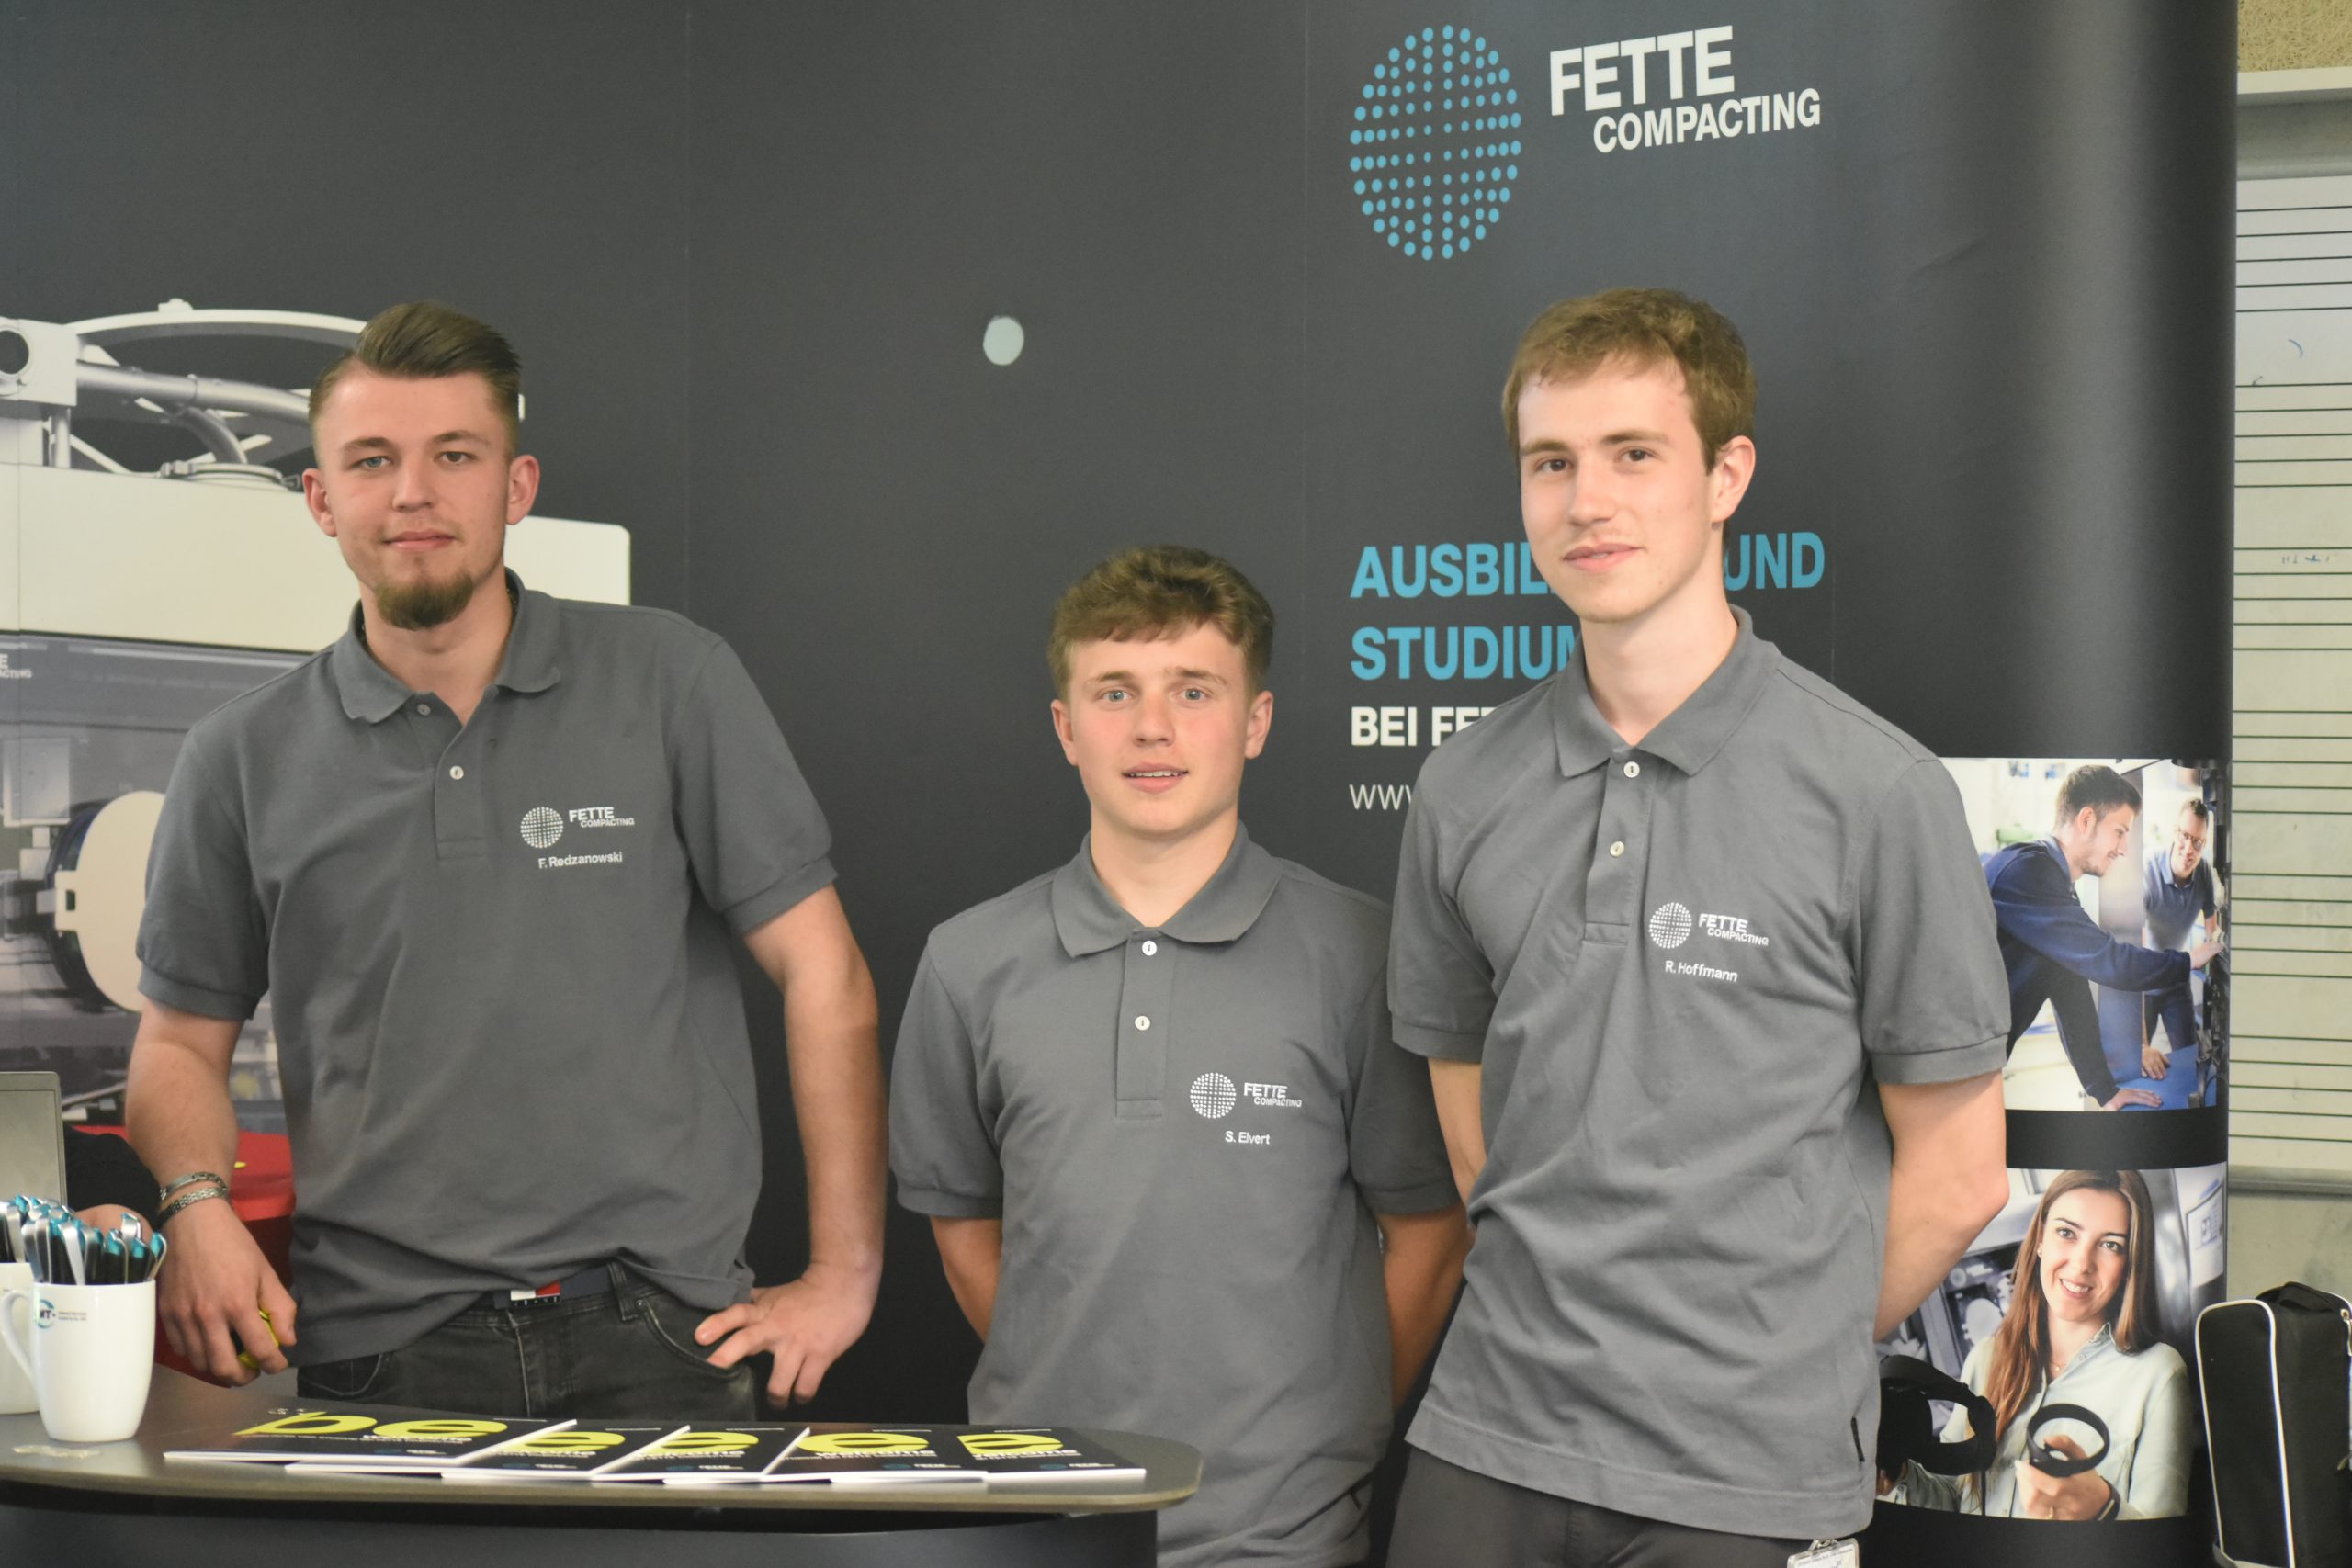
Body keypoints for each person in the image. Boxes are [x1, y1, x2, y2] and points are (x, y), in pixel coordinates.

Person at [125, 302, 884, 1419]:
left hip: (667, 1334)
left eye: (455, 456)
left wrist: (844, 1272)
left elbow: (826, 975)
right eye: (372, 461)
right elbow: (176, 1047)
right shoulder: (239, 756)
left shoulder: (671, 681)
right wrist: (196, 1210)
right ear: (322, 500)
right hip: (383, 1350)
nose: (413, 493)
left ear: (516, 487)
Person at [1382, 288, 2013, 1566]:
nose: (1586, 502)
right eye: (1551, 462)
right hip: (1488, 1442)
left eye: (1633, 454)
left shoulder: (1875, 791)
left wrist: (1770, 1353)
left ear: (1726, 475)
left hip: (1745, 1478)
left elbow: (1960, 1175)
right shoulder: (1462, 789)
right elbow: (1472, 1136)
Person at [890, 546, 1470, 1568]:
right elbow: (966, 1228)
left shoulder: (1359, 954)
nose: (1152, 726)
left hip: (1283, 1540)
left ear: (1255, 721)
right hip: (1041, 1523)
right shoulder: (967, 962)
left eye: (1193, 690)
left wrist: (1320, 1434)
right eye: (1115, 692)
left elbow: (1430, 1233)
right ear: (1066, 727)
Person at [1884, 1169, 2192, 1519]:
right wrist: (1900, 1475)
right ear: (2040, 1240)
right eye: (2067, 1233)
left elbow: (2161, 1538)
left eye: (2110, 1245)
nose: (2082, 1264)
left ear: (2129, 1263)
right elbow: (1954, 1499)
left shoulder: (2159, 1374)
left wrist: (2102, 1509)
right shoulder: (1986, 1357)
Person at [1984, 768, 2221, 1111]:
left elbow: (2071, 990)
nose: (2123, 848)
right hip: (1943, 1062)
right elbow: (2111, 961)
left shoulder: (2052, 883)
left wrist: (2104, 1090)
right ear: (2086, 820)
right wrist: (2188, 961)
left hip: (1972, 1061)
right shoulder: (2028, 872)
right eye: (2119, 832)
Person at [2141, 798, 2220, 1078]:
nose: (2189, 848)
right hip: (2143, 983)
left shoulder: (2204, 874)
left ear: (2205, 843)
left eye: (2198, 842)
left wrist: (2215, 955)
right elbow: (2135, 955)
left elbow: (2213, 930)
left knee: (2190, 1058)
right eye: (2185, 836)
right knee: (2137, 1061)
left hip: (2176, 981)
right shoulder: (2147, 871)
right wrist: (2141, 1044)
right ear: (2175, 831)